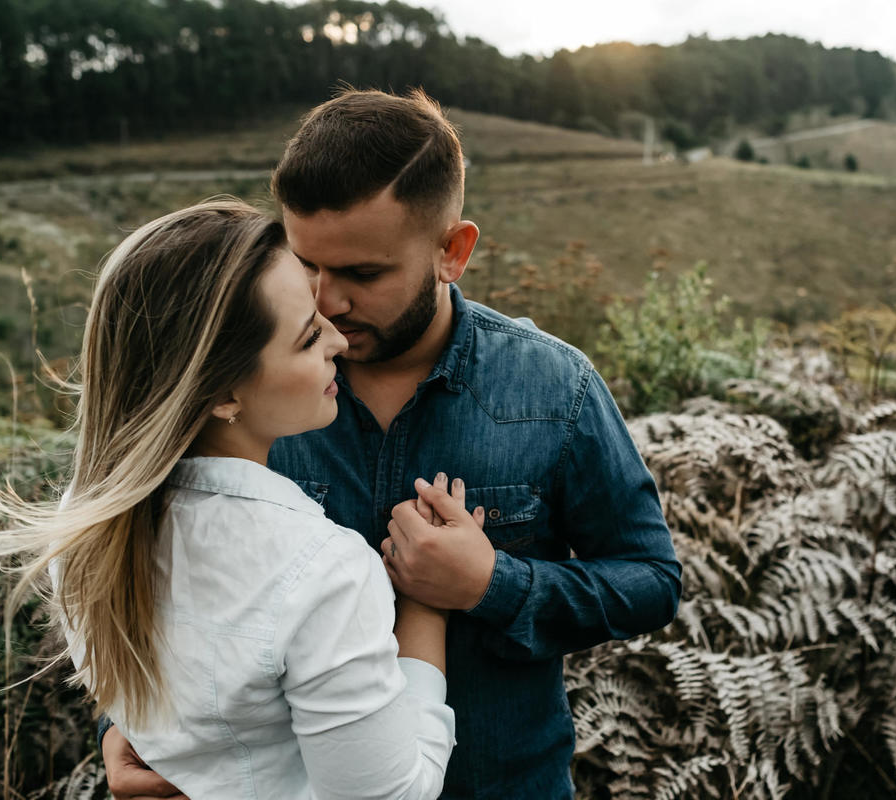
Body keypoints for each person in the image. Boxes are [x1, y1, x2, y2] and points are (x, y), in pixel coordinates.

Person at [103, 90, 683, 800]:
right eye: (305, 263)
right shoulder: (251, 389)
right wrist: (125, 723)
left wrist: (491, 585)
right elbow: (144, 563)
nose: (326, 302)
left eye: (362, 274)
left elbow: (650, 580)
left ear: (452, 251)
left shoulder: (554, 388)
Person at [0, 199, 463, 799]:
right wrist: (427, 615)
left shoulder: (86, 520)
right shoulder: (323, 572)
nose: (336, 338)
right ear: (224, 394)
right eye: (306, 338)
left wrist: (118, 730)